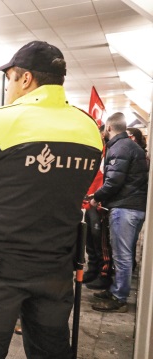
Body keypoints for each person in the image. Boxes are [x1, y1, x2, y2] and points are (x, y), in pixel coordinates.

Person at [0, 41, 103, 358]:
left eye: (8, 79)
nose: (7, 87)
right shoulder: (89, 128)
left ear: (25, 79)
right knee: (51, 350)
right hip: (57, 267)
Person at [90, 112, 148, 313]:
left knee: (122, 255)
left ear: (108, 128)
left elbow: (113, 182)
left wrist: (96, 197)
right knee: (123, 253)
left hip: (125, 208)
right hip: (131, 207)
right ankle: (116, 289)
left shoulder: (120, 148)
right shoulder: (129, 146)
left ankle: (119, 297)